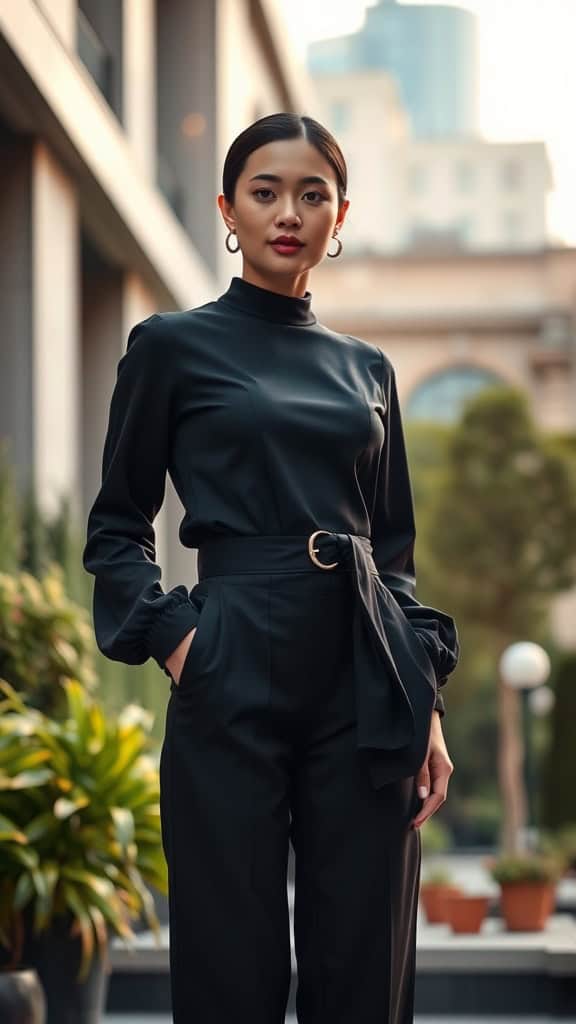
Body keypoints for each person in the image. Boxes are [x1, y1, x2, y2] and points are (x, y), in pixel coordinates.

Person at [82, 113, 460, 1024]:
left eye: (312, 194)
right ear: (229, 210)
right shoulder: (171, 345)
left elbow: (395, 557)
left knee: (363, 971)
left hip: (365, 674)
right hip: (231, 659)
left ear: (340, 217)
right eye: (265, 192)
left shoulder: (367, 368)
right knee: (231, 969)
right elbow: (117, 527)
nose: (288, 212)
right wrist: (181, 644)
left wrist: (427, 710)